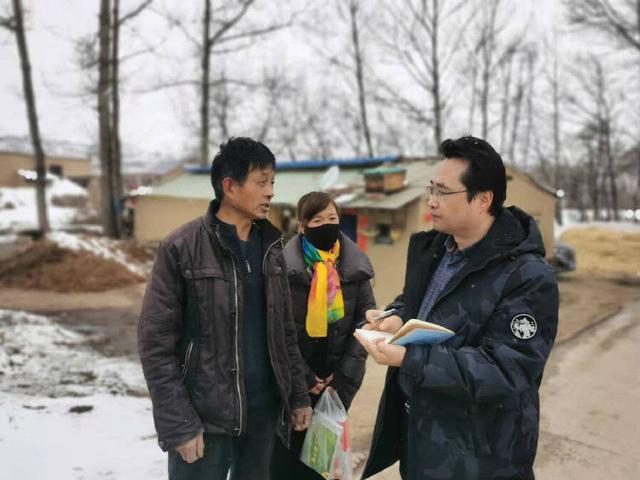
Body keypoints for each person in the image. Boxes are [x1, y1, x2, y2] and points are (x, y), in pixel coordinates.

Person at [355, 136, 559, 480]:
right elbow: (418, 301)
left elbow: (506, 368)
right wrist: (396, 316)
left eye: (442, 192)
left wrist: (410, 358)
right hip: (423, 445)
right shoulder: (436, 250)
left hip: (481, 457)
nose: (431, 202)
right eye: (430, 190)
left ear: (482, 199)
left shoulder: (527, 277)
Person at [138, 137, 312, 480]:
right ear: (230, 187)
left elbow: (284, 333)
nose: (271, 192)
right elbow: (156, 345)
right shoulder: (181, 247)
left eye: (272, 182)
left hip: (263, 421)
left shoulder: (272, 249)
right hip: (205, 423)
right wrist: (180, 424)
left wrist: (297, 397)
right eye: (262, 182)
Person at [271, 191, 376, 479]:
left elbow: (365, 325)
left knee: (320, 465)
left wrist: (343, 376)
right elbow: (278, 329)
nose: (327, 224)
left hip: (334, 383)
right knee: (283, 462)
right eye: (318, 219)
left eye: (332, 218)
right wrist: (302, 378)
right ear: (302, 227)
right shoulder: (282, 268)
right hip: (292, 382)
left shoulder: (354, 268)